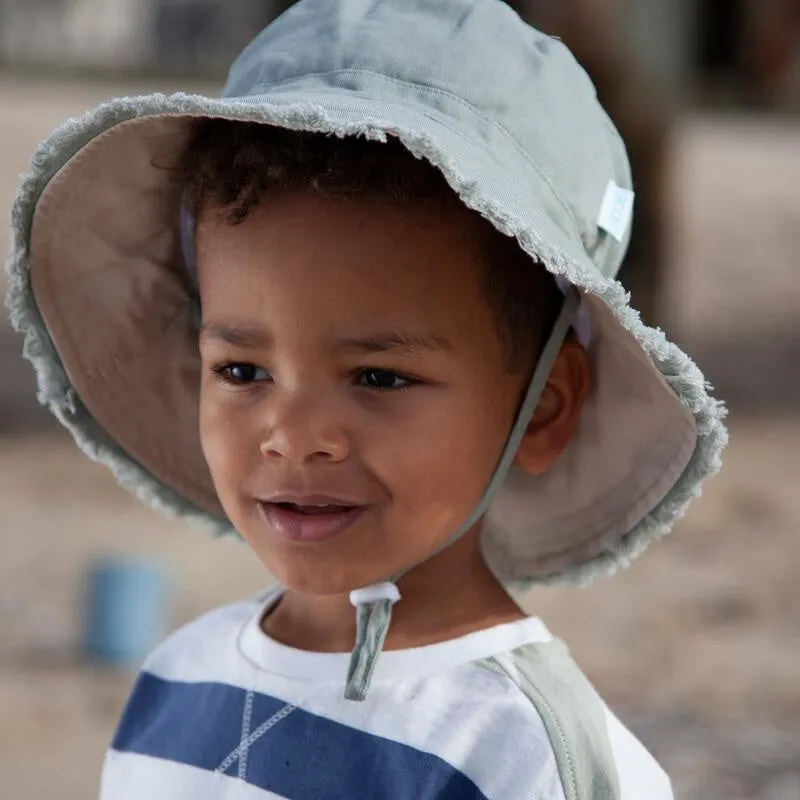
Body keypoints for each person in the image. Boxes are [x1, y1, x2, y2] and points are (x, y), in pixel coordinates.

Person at [5, 1, 728, 797]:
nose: (293, 437)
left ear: (544, 407)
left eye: (379, 378)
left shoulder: (528, 758)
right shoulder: (175, 684)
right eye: (243, 371)